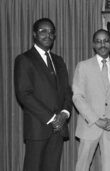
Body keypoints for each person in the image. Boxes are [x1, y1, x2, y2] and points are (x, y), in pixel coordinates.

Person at [14, 18, 72, 171]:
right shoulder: (24, 59)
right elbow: (24, 94)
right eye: (43, 31)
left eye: (51, 32)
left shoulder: (59, 61)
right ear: (34, 34)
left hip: (58, 128)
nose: (48, 35)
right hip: (38, 127)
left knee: (52, 168)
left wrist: (64, 114)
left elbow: (67, 90)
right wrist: (52, 118)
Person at [73, 29, 110, 171]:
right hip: (89, 126)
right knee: (82, 166)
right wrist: (96, 119)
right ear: (93, 45)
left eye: (105, 41)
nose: (102, 44)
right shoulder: (83, 66)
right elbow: (77, 97)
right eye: (98, 41)